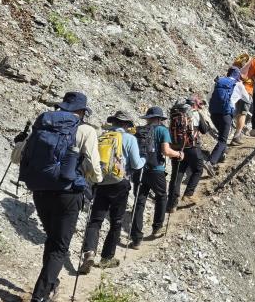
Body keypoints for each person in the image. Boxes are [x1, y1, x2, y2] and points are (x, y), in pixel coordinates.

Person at [13, 91, 102, 302]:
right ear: (82, 112)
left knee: (53, 241)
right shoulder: (86, 131)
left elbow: (17, 158)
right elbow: (94, 168)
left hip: (40, 191)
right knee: (59, 248)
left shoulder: (43, 125)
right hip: (68, 194)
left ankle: (51, 285)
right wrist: (96, 180)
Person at [77, 111, 144, 274]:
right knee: (116, 221)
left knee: (95, 220)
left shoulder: (102, 137)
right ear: (127, 125)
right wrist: (144, 160)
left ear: (113, 122)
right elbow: (136, 164)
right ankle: (106, 258)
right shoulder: (129, 139)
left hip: (101, 182)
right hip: (120, 182)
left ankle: (89, 252)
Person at [130, 106, 183, 249]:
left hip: (140, 170)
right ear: (159, 119)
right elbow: (166, 151)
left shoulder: (140, 131)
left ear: (148, 118)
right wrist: (178, 154)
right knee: (161, 197)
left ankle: (136, 239)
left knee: (139, 202)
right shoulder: (162, 130)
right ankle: (157, 227)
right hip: (156, 170)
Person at [208, 66, 251, 167]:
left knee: (222, 135)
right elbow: (247, 99)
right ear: (237, 75)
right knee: (223, 140)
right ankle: (211, 162)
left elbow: (208, 97)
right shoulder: (238, 84)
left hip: (213, 113)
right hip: (226, 115)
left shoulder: (218, 82)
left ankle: (222, 155)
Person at [167, 101, 205, 212]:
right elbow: (204, 130)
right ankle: (188, 194)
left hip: (177, 148)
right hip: (192, 147)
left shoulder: (174, 116)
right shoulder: (195, 114)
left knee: (177, 175)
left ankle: (172, 204)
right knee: (198, 170)